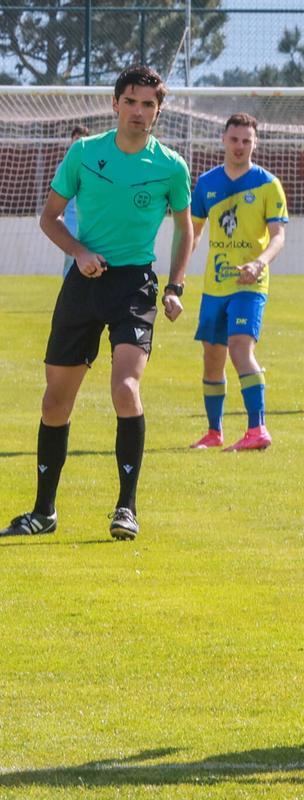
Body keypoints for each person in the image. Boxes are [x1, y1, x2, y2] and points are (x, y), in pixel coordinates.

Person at [1, 64, 192, 541]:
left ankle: (126, 509)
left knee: (126, 388)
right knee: (55, 401)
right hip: (85, 281)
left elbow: (185, 229)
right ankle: (44, 512)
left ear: (158, 111)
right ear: (115, 104)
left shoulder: (171, 165)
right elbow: (50, 217)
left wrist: (175, 287)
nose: (139, 111)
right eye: (131, 101)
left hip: (134, 286)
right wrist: (80, 252)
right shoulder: (84, 153)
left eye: (149, 104)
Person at [188, 113, 288, 451]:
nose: (240, 146)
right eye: (235, 140)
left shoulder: (267, 184)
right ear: (223, 140)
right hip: (215, 285)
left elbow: (278, 236)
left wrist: (260, 262)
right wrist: (177, 276)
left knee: (240, 348)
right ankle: (214, 432)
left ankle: (257, 429)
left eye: (247, 141)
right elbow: (194, 232)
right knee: (212, 357)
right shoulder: (206, 184)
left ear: (255, 144)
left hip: (250, 284)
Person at [61, 124, 90, 276]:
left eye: (82, 139)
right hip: (70, 224)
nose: (79, 142)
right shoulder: (63, 167)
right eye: (76, 139)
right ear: (71, 141)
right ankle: (68, 293)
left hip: (90, 224)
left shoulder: (94, 167)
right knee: (71, 260)